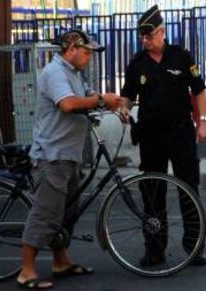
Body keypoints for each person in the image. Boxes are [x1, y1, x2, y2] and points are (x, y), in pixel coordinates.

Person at [17, 29, 123, 289]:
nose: (89, 58)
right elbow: (68, 104)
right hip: (52, 155)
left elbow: (87, 97)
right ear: (71, 49)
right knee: (46, 213)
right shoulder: (54, 73)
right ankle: (26, 271)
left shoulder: (74, 73)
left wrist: (113, 104)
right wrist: (100, 100)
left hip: (69, 154)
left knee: (66, 213)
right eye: (86, 52)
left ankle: (61, 262)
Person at [120, 5, 206, 267]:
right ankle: (155, 249)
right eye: (142, 37)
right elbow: (127, 95)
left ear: (162, 32)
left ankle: (195, 246)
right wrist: (124, 109)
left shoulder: (181, 56)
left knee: (189, 189)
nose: (145, 41)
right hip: (151, 135)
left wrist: (203, 122)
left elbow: (200, 90)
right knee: (152, 192)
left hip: (181, 132)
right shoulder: (137, 63)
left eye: (149, 36)